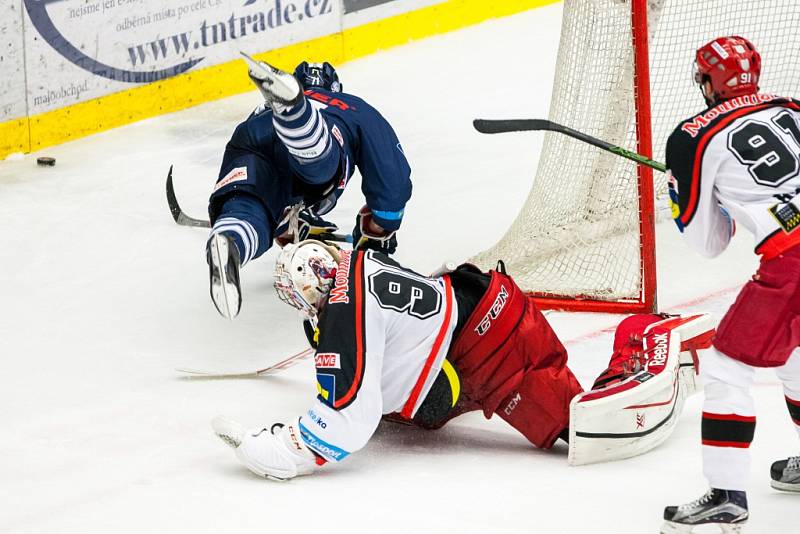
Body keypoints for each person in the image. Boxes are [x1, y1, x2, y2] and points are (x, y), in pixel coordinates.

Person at [210, 240, 711, 480]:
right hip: (483, 308)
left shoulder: (342, 313)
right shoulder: (361, 261)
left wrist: (279, 448)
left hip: (490, 348)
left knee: (585, 424)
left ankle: (649, 335)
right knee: (412, 415)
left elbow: (348, 421)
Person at [661, 36, 800, 533]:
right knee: (793, 354)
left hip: (794, 263)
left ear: (707, 81)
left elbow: (710, 243)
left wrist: (687, 199)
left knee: (726, 366)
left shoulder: (691, 137)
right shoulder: (792, 106)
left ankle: (726, 494)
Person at [206, 55, 412, 319]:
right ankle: (296, 114)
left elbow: (279, 199)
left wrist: (284, 223)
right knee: (317, 164)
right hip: (315, 140)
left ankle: (231, 242)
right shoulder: (353, 107)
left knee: (249, 207)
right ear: (336, 89)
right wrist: (385, 217)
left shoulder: (260, 110)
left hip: (249, 138)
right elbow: (390, 172)